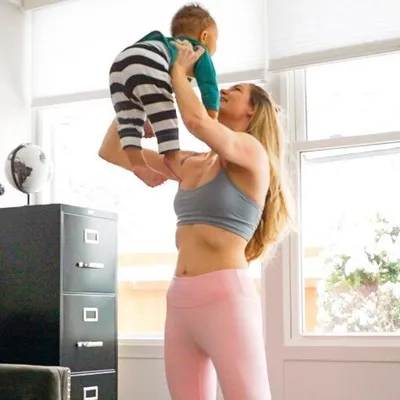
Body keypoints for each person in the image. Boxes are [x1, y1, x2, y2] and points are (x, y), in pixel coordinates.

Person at [99, 40, 293, 400]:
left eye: (237, 90)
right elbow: (111, 151)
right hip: (180, 300)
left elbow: (195, 120)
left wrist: (177, 70)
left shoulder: (252, 153)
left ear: (252, 110)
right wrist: (136, 99)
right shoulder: (190, 162)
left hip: (226, 300)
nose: (224, 89)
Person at [109, 3, 219, 181]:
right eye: (216, 41)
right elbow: (209, 86)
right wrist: (212, 117)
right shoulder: (198, 50)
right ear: (204, 36)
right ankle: (172, 156)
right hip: (147, 62)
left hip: (120, 63)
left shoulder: (165, 46)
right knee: (166, 112)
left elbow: (147, 91)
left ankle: (137, 162)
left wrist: (146, 120)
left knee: (128, 116)